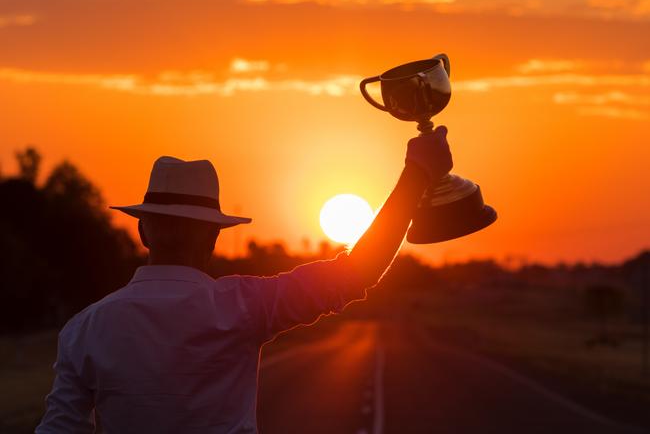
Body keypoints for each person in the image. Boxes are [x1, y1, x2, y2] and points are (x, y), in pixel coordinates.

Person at [36, 126, 452, 433]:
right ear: (214, 237)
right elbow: (358, 272)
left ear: (143, 231)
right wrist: (415, 174)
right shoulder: (243, 305)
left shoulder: (84, 329)